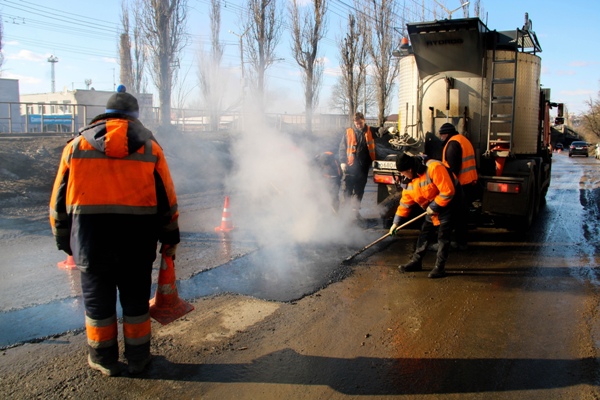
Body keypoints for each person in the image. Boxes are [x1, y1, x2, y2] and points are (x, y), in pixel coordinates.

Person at [49, 85, 180, 376]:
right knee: (135, 304)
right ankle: (138, 359)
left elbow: (58, 201)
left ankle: (103, 360)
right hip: (137, 244)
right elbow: (167, 200)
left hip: (90, 242)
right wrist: (170, 237)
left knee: (98, 305)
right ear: (135, 116)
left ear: (104, 115)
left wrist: (64, 239)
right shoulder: (150, 147)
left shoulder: (75, 147)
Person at [388, 152, 460, 278]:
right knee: (424, 234)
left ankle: (439, 268)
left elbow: (448, 191)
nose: (401, 175)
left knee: (443, 236)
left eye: (403, 172)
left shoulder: (434, 168)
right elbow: (405, 203)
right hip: (431, 206)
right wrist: (396, 222)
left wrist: (434, 206)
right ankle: (416, 262)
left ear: (410, 169)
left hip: (450, 202)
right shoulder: (409, 180)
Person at [439, 122, 478, 250]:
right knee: (461, 214)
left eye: (441, 136)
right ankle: (460, 241)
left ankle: (457, 243)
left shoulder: (452, 145)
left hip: (459, 185)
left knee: (455, 215)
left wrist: (445, 187)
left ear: (446, 134)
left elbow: (452, 169)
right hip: (469, 182)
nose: (440, 139)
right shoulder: (463, 140)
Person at [338, 112, 376, 219]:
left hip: (363, 167)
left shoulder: (370, 130)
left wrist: (388, 130)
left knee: (359, 190)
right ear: (354, 122)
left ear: (364, 120)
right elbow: (342, 148)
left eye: (360, 122)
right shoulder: (348, 132)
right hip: (351, 167)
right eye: (356, 123)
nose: (358, 125)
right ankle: (345, 212)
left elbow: (380, 131)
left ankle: (355, 212)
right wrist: (342, 162)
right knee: (347, 189)